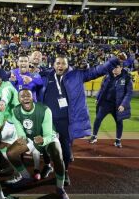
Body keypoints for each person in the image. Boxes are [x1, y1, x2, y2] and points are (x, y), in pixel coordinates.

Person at [38, 53, 126, 185]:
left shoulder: (77, 75)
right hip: (47, 120)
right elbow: (29, 77)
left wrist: (115, 60)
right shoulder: (46, 76)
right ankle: (47, 165)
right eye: (57, 63)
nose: (60, 66)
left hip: (66, 120)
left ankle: (65, 172)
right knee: (44, 146)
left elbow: (98, 70)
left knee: (65, 148)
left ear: (68, 65)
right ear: (53, 65)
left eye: (63, 63)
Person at [6, 89, 70, 199]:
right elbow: (21, 132)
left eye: (28, 95)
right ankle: (25, 177)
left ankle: (60, 188)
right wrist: (22, 138)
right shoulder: (15, 111)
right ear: (19, 99)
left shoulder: (44, 110)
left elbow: (48, 133)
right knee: (10, 153)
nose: (25, 97)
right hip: (31, 138)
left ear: (32, 98)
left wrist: (43, 140)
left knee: (57, 155)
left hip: (48, 136)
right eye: (22, 96)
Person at [89, 65, 133, 148]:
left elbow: (129, 93)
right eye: (113, 67)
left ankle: (118, 140)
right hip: (105, 103)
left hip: (117, 105)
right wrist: (98, 98)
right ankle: (94, 136)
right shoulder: (107, 75)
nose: (114, 69)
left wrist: (123, 104)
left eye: (116, 67)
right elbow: (102, 88)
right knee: (98, 119)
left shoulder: (126, 78)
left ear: (121, 68)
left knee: (119, 122)